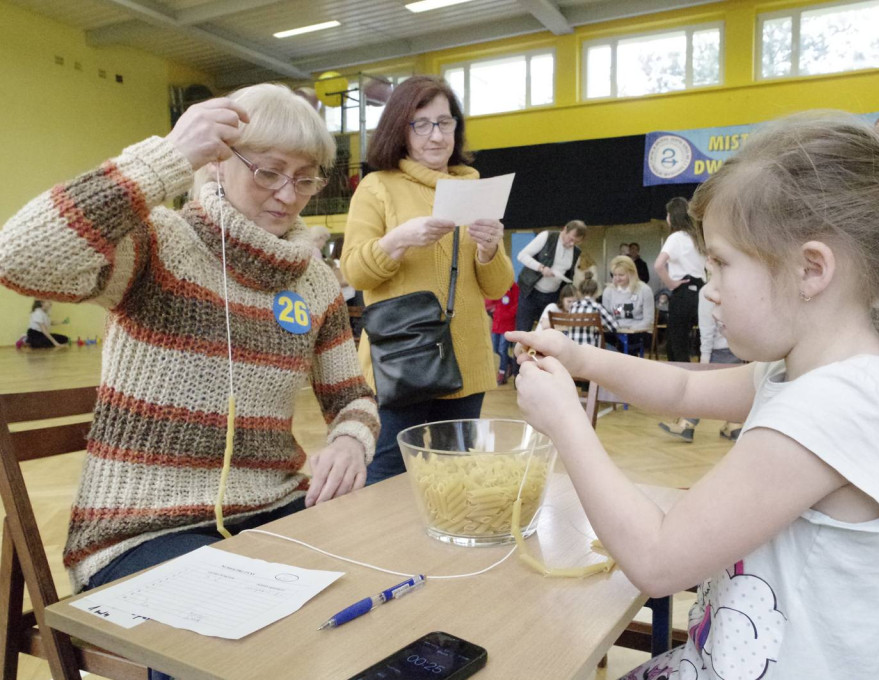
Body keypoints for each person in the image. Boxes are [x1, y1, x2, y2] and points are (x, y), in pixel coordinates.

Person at [509, 115, 879, 680]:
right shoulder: (813, 376)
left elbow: (658, 559)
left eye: (722, 263)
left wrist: (566, 421)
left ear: (811, 269)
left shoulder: (844, 404)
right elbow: (683, 387)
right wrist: (582, 359)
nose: (708, 288)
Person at [0, 84, 380, 600]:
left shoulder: (313, 282)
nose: (288, 195)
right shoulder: (159, 243)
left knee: (377, 581)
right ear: (219, 161)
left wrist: (350, 440)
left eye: (305, 177)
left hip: (272, 508)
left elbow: (352, 398)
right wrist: (166, 158)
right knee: (239, 630)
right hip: (141, 531)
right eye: (268, 171)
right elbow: (19, 256)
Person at [342, 75, 513, 485]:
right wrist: (398, 241)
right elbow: (354, 272)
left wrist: (489, 250)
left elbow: (497, 286)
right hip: (401, 361)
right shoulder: (377, 187)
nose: (436, 136)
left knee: (455, 476)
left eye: (445, 122)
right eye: (421, 124)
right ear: (400, 129)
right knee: (387, 475)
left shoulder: (474, 187)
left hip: (466, 359)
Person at [659, 286, 744, 443]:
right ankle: (734, 425)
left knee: (699, 388)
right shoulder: (740, 284)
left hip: (717, 349)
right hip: (739, 348)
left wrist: (704, 359)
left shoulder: (709, 290)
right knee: (731, 388)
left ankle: (687, 423)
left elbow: (706, 328)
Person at [654, 196, 706, 362]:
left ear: (672, 216)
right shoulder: (698, 238)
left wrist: (670, 284)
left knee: (677, 344)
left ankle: (681, 382)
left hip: (682, 291)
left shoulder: (676, 237)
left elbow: (658, 265)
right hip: (700, 292)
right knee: (700, 341)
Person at [515, 220, 586, 333]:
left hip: (553, 296)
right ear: (565, 229)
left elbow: (571, 276)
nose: (572, 244)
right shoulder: (547, 236)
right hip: (530, 292)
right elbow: (522, 256)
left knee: (547, 332)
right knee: (523, 331)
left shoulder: (576, 252)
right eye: (571, 239)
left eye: (576, 242)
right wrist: (541, 268)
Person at [602, 255, 654, 354]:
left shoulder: (644, 290)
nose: (617, 278)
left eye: (621, 275)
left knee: (628, 342)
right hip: (616, 330)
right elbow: (606, 317)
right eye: (614, 275)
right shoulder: (608, 291)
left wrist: (631, 329)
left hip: (638, 331)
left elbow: (648, 320)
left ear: (631, 273)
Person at [566, 278, 617, 347]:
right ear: (597, 292)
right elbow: (614, 326)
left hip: (572, 348)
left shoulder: (573, 306)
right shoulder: (597, 307)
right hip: (591, 349)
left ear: (579, 292)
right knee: (615, 350)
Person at [490, 283, 518, 385]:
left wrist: (507, 315)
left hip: (507, 325)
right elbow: (491, 300)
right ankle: (511, 363)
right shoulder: (499, 285)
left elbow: (516, 305)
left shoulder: (514, 287)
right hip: (496, 324)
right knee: (495, 348)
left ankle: (502, 374)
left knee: (502, 350)